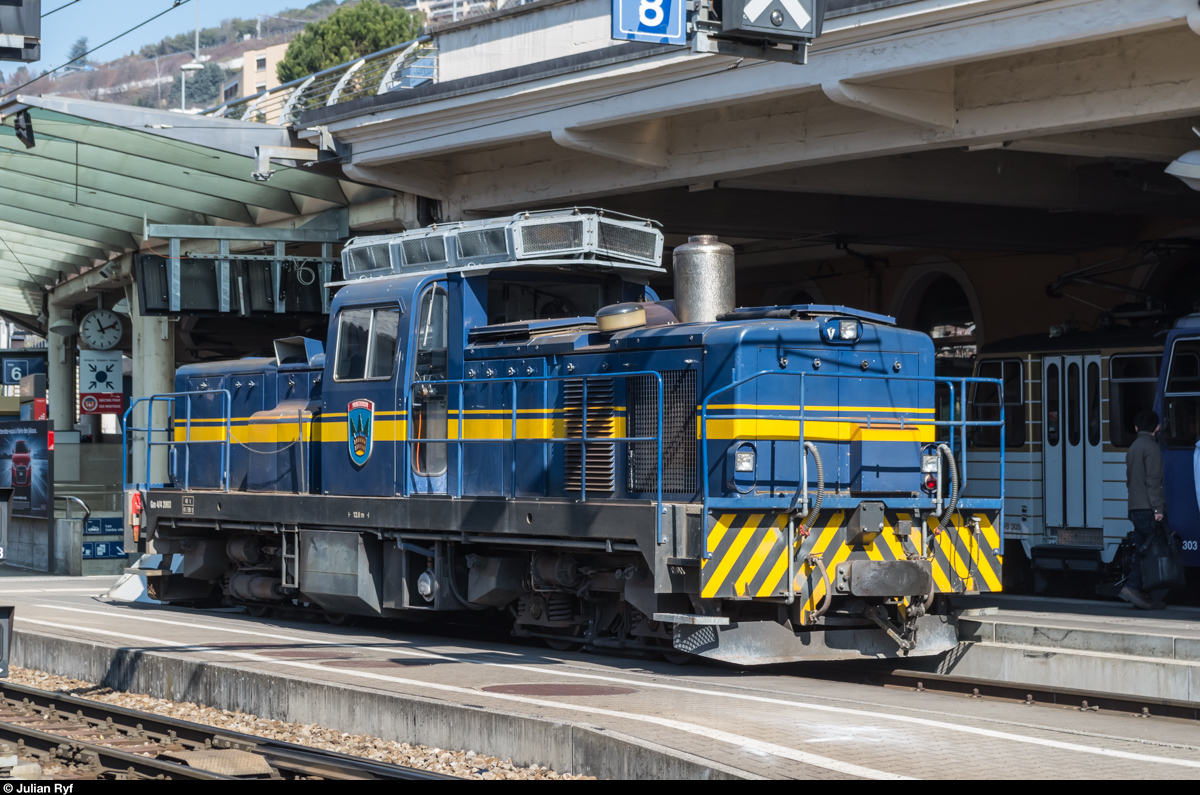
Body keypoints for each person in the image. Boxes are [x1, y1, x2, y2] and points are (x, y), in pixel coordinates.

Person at [1122, 410, 1165, 610]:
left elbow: (1129, 480)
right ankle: (1133, 587)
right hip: (1148, 508)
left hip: (1135, 507)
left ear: (1137, 428)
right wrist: (1158, 508)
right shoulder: (1152, 447)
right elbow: (1153, 481)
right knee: (1149, 553)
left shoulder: (1133, 448)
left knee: (1142, 550)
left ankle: (1141, 592)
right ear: (1157, 427)